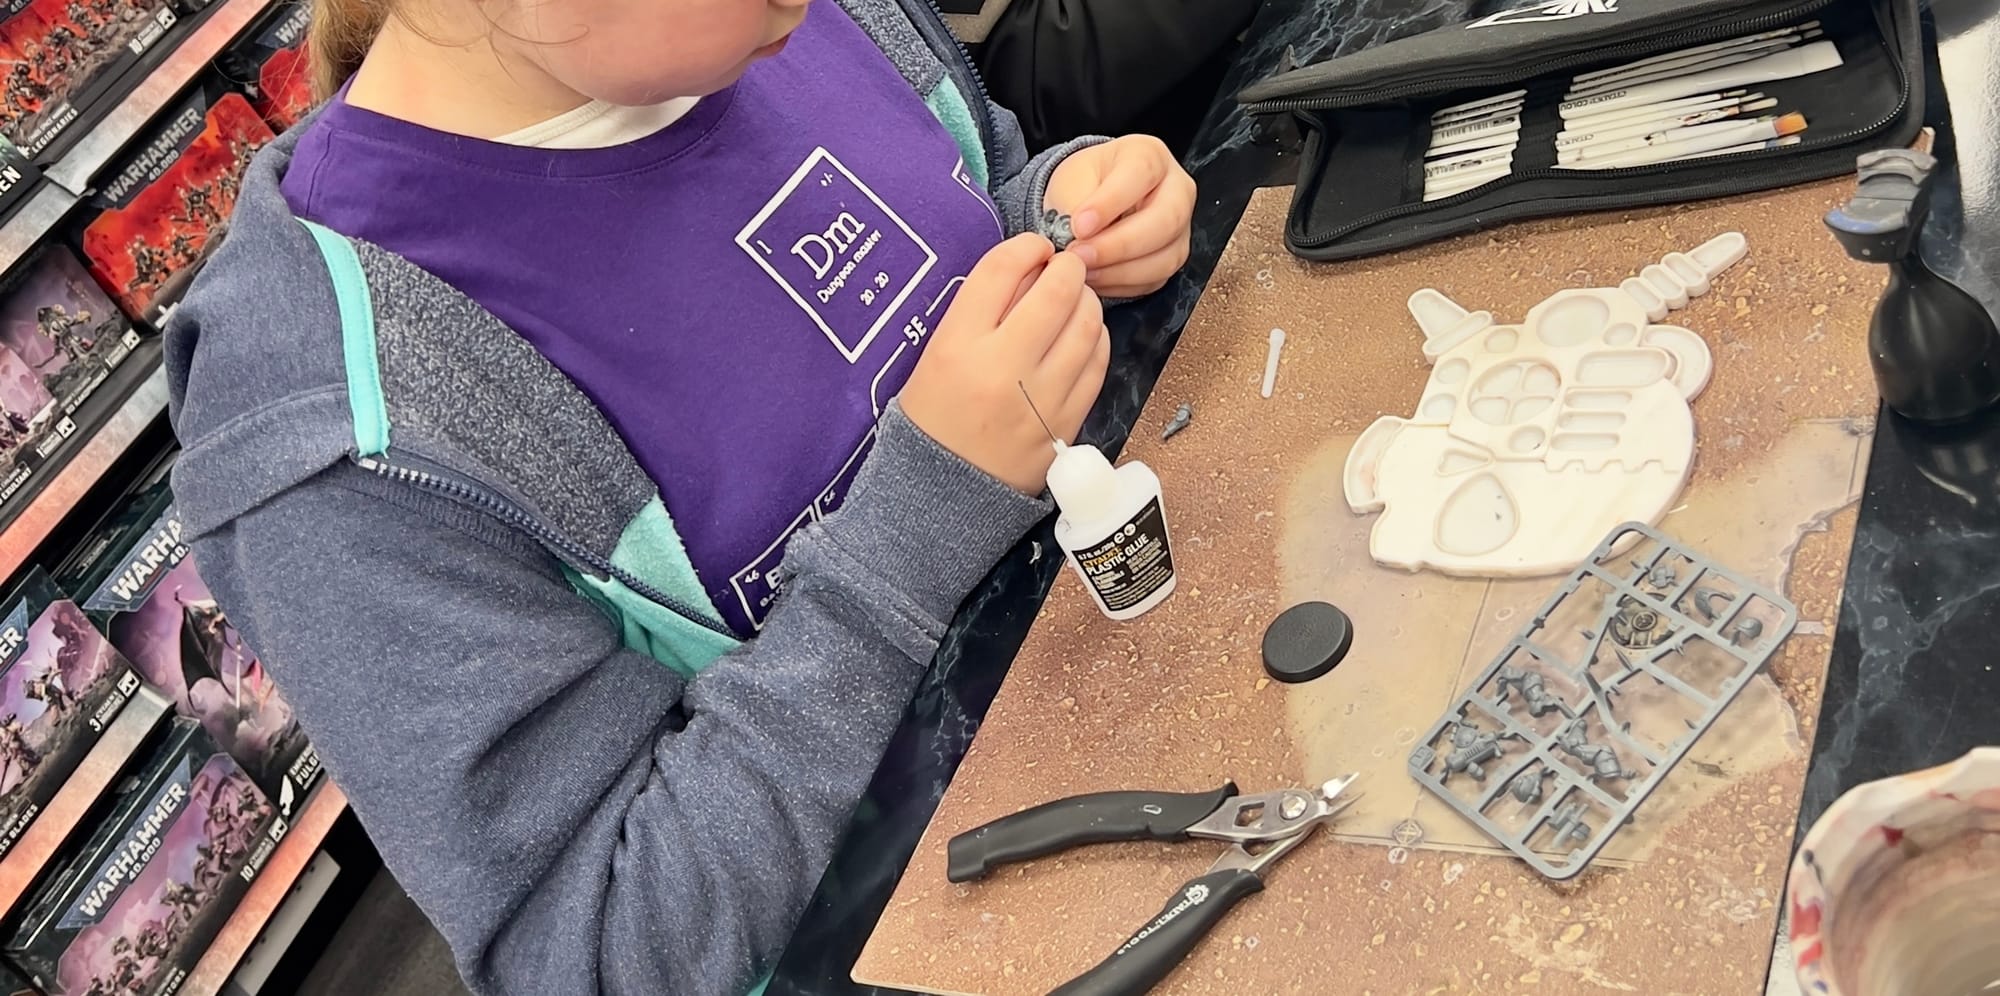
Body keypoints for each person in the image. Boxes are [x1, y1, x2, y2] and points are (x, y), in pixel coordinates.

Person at [162, 0, 1196, 991]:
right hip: (969, 925)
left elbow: (962, 208)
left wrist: (1059, 220)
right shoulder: (343, 432)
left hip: (1158, 685)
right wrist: (920, 515)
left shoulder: (798, 29)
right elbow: (609, 947)